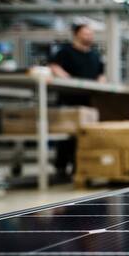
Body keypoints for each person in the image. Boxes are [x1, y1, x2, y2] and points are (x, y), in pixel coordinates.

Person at [48, 24, 106, 179]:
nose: (89, 36)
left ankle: (78, 167)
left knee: (84, 136)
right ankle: (61, 168)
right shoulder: (65, 52)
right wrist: (69, 80)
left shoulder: (94, 55)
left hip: (88, 100)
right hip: (69, 99)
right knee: (66, 134)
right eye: (85, 33)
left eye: (91, 33)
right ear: (76, 34)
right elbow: (54, 67)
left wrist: (100, 83)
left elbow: (101, 73)